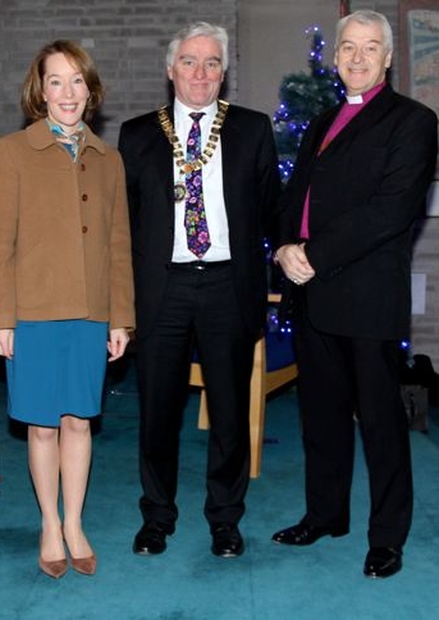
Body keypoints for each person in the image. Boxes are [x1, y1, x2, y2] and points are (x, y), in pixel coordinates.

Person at [270, 10, 438, 579]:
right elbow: (296, 198)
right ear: (336, 56)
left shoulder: (413, 121)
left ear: (388, 59)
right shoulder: (320, 121)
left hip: (367, 297)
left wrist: (310, 254)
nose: (359, 58)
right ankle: (325, 515)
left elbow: (390, 212)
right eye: (349, 47)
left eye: (371, 48)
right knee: (320, 418)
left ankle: (387, 536)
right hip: (312, 295)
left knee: (381, 424)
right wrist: (285, 246)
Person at [118, 22, 280, 558]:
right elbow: (128, 224)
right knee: (157, 411)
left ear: (223, 73)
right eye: (189, 61)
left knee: (231, 413)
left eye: (212, 63)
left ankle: (225, 519)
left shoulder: (252, 129)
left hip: (228, 286)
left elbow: (270, 212)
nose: (200, 73)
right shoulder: (138, 134)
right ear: (170, 70)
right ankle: (157, 516)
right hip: (162, 288)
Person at [0, 40, 134, 579]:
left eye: (77, 81)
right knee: (42, 427)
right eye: (56, 81)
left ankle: (76, 523)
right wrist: (0, 317)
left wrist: (120, 316)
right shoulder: (12, 150)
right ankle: (49, 524)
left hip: (91, 312)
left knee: (80, 423)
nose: (67, 93)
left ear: (90, 90)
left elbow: (119, 243)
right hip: (33, 313)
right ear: (39, 89)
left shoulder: (108, 158)